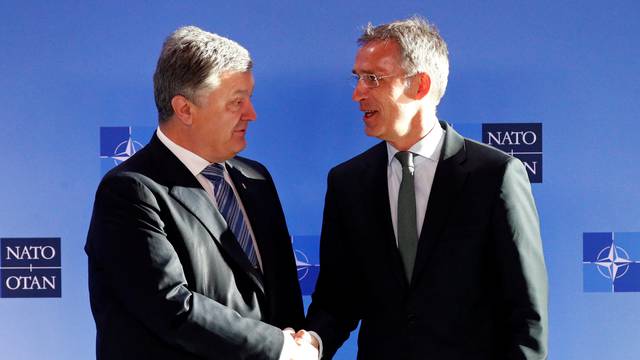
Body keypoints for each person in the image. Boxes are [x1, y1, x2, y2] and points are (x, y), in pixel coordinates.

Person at [299, 16, 548, 359]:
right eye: (357, 78)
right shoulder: (347, 182)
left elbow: (526, 315)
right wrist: (310, 344)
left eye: (372, 79)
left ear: (419, 85)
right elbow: (337, 299)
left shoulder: (494, 175)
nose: (358, 93)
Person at [85, 26, 314, 360]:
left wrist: (299, 345)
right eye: (236, 102)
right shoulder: (130, 190)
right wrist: (280, 348)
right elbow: (170, 306)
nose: (252, 114)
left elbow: (284, 296)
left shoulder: (256, 178)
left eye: (249, 98)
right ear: (185, 109)